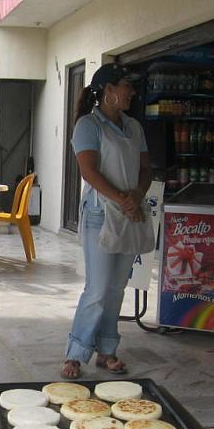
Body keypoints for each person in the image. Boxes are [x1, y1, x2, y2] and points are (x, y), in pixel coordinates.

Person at [62, 63, 151, 379]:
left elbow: (145, 169)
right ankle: (76, 353)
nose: (131, 92)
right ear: (109, 91)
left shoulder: (134, 127)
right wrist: (124, 199)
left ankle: (107, 350)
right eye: (127, 85)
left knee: (116, 288)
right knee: (97, 288)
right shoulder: (88, 125)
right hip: (101, 214)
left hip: (129, 213)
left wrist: (137, 196)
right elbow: (89, 172)